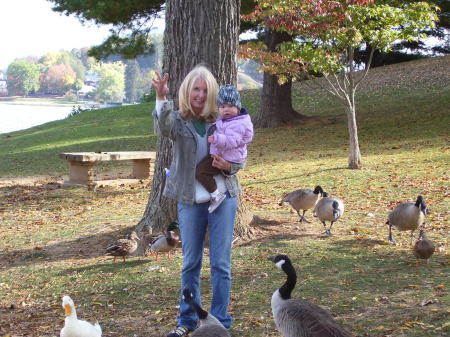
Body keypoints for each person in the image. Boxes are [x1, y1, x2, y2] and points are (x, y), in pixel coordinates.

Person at [151, 65, 244, 337]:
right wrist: (160, 98)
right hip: (190, 200)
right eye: (196, 89)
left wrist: (229, 165)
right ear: (187, 91)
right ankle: (187, 320)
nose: (200, 95)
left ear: (212, 92)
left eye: (205, 90)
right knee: (191, 262)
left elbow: (241, 157)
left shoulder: (225, 119)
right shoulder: (179, 120)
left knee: (221, 264)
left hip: (223, 197)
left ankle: (219, 323)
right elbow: (162, 128)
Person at [196, 84, 253, 213]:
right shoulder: (227, 120)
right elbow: (218, 124)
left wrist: (216, 139)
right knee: (201, 170)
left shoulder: (238, 123)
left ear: (238, 107)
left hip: (228, 157)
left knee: (201, 171)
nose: (226, 110)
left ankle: (216, 195)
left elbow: (232, 140)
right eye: (222, 107)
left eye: (230, 106)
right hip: (224, 154)